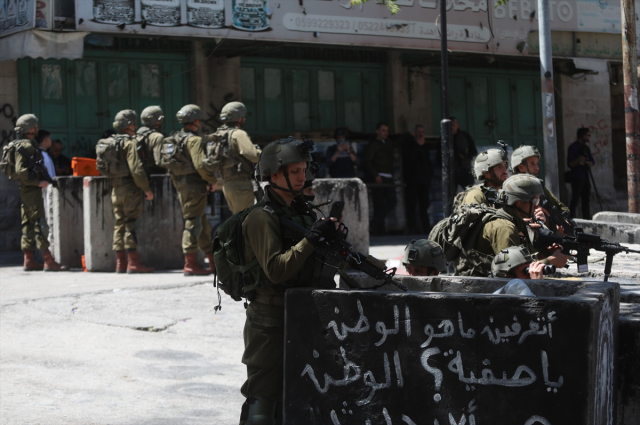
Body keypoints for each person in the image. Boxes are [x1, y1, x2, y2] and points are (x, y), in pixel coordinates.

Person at [239, 137, 336, 425]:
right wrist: (311, 240)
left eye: (304, 170)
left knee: (292, 395)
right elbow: (276, 269)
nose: (302, 176)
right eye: (294, 171)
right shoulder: (261, 217)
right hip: (269, 320)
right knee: (263, 398)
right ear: (273, 174)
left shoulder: (301, 213)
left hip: (299, 313)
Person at [455, 174, 567, 276]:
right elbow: (515, 274)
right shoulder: (505, 228)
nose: (536, 206)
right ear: (519, 202)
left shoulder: (512, 221)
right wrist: (552, 260)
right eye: (534, 201)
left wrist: (540, 257)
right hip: (480, 287)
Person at [103, 110, 155, 274]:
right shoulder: (129, 143)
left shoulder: (112, 142)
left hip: (116, 188)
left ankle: (120, 263)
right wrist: (146, 189)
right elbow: (137, 169)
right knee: (131, 222)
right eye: (133, 123)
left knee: (120, 222)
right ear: (129, 125)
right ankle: (133, 263)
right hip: (130, 189)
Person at [12, 114, 67, 271]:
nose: (37, 128)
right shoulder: (28, 146)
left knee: (27, 224)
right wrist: (38, 182)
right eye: (34, 126)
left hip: (25, 190)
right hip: (31, 190)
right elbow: (21, 171)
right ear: (30, 128)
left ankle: (28, 259)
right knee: (39, 223)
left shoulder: (19, 145)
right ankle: (48, 261)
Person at [171, 104, 218, 276]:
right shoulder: (194, 140)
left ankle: (213, 263)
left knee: (201, 222)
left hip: (182, 185)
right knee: (192, 221)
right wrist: (212, 180)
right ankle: (189, 264)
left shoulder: (176, 139)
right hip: (195, 186)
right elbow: (200, 164)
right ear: (196, 120)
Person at [510, 145, 571, 233]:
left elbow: (562, 208)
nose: (537, 168)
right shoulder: (510, 190)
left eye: (537, 163)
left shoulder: (539, 187)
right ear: (520, 167)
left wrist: (562, 220)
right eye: (532, 164)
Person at [214, 101, 262, 214]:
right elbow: (253, 156)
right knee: (245, 219)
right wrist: (263, 153)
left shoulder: (220, 134)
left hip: (227, 184)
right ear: (239, 118)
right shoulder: (238, 134)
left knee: (238, 218)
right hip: (241, 184)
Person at [364, 122, 397, 235]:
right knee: (378, 204)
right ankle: (379, 229)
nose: (386, 133)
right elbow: (368, 162)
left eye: (387, 131)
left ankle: (375, 222)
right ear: (377, 131)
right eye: (383, 130)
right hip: (378, 177)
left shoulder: (388, 143)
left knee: (392, 201)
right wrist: (376, 175)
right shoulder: (373, 145)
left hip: (389, 177)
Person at [402, 124, 432, 234]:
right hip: (412, 181)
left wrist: (429, 178)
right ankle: (412, 229)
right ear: (414, 133)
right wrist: (418, 145)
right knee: (411, 206)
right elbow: (409, 158)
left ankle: (426, 229)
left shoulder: (425, 146)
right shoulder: (408, 145)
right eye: (419, 132)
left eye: (422, 132)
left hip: (424, 181)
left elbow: (427, 164)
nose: (421, 134)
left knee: (424, 207)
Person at [567, 128, 595, 219]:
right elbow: (570, 164)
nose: (588, 137)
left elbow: (592, 161)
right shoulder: (573, 147)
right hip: (576, 177)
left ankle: (587, 219)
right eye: (587, 135)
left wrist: (586, 163)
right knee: (575, 199)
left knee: (586, 199)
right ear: (582, 136)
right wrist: (579, 160)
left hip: (585, 176)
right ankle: (571, 218)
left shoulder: (586, 148)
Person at [137, 106, 167, 175]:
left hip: (142, 175)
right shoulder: (157, 137)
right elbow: (159, 162)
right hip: (156, 177)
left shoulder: (137, 135)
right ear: (158, 121)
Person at [451, 117, 478, 191]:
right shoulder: (444, 138)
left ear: (457, 125)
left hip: (465, 169)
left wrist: (465, 156)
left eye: (453, 125)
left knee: (471, 193)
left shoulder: (464, 135)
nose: (451, 128)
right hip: (451, 172)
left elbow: (474, 151)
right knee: (450, 196)